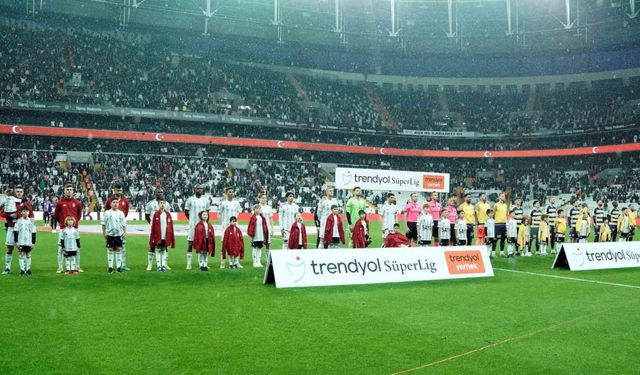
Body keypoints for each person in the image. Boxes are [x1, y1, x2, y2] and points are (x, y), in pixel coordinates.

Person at [2, 186, 34, 275]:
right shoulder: (10, 200)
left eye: (21, 191)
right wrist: (10, 216)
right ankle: (7, 268)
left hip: (23, 229)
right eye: (18, 191)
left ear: (23, 193)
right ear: (14, 192)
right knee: (9, 248)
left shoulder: (26, 203)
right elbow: (2, 213)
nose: (19, 193)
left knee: (24, 249)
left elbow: (31, 215)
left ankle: (24, 269)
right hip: (12, 228)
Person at [54, 183, 82, 273]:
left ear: (73, 191)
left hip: (74, 229)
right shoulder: (60, 202)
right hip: (63, 229)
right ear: (64, 191)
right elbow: (56, 215)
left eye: (70, 189)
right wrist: (62, 223)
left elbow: (79, 215)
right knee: (61, 248)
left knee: (76, 248)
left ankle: (77, 267)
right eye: (67, 190)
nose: (69, 191)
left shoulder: (77, 203)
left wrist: (74, 223)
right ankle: (60, 267)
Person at [104, 183, 131, 271]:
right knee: (111, 248)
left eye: (120, 190)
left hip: (120, 227)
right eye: (117, 190)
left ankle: (122, 265)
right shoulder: (109, 200)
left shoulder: (125, 200)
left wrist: (122, 225)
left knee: (122, 247)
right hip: (111, 229)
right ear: (114, 190)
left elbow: (126, 213)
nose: (119, 192)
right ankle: (111, 266)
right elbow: (106, 211)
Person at [184, 184, 210, 270]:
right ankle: (189, 264)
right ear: (194, 190)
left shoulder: (206, 200)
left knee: (203, 244)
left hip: (202, 227)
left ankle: (202, 264)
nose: (199, 190)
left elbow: (207, 213)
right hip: (193, 225)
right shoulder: (190, 200)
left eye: (200, 189)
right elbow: (186, 212)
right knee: (190, 244)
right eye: (197, 189)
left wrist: (206, 223)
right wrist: (191, 220)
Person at [145, 189, 170, 270]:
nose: (160, 193)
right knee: (152, 246)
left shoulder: (167, 204)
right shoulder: (150, 204)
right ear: (154, 193)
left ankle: (165, 263)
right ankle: (150, 264)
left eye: (161, 192)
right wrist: (154, 225)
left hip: (164, 229)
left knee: (165, 246)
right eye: (158, 192)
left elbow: (168, 216)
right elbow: (147, 216)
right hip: (154, 229)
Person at [148, 199, 175, 272]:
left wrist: (171, 236)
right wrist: (153, 236)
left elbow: (171, 226)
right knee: (158, 249)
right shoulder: (156, 214)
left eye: (164, 203)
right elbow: (153, 226)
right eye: (161, 203)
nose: (162, 204)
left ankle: (163, 265)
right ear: (158, 204)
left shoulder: (168, 214)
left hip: (165, 235)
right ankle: (159, 266)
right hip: (158, 236)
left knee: (164, 250)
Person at [102, 198, 127, 273]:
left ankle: (119, 267)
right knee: (110, 249)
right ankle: (110, 267)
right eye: (114, 202)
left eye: (117, 202)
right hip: (109, 234)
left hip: (118, 234)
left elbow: (124, 224)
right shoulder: (107, 213)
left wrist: (124, 233)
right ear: (110, 204)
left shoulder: (121, 213)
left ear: (118, 204)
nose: (115, 204)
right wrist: (104, 233)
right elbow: (103, 224)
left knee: (118, 249)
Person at [12, 206, 36, 276]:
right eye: (24, 211)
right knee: (21, 255)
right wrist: (16, 242)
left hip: (29, 242)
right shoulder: (19, 221)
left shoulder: (31, 222)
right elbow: (15, 232)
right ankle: (22, 270)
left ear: (29, 212)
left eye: (26, 211)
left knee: (28, 255)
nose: (25, 212)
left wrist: (33, 243)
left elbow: (33, 232)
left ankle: (28, 269)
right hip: (21, 242)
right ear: (21, 212)